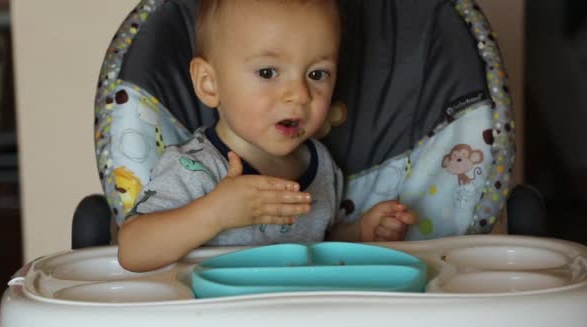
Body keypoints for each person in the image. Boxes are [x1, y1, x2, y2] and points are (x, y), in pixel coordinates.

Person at [118, 0, 417, 272]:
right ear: (210, 84)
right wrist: (214, 213)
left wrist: (360, 234)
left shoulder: (322, 164)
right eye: (267, 73)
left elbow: (319, 241)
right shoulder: (194, 169)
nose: (299, 95)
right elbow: (132, 250)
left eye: (317, 74)